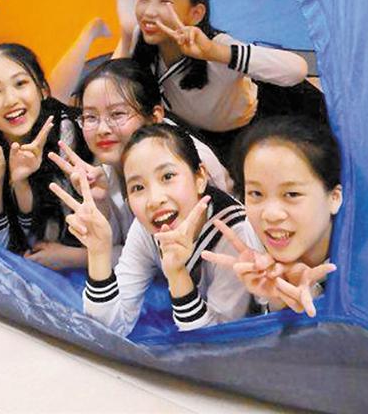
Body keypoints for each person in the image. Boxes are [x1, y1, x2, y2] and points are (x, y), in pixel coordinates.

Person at [51, 123, 262, 337]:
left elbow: (218, 342)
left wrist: (177, 275)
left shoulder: (235, 235)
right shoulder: (147, 227)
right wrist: (98, 254)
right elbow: (108, 328)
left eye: (167, 177)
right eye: (138, 187)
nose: (154, 200)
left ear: (200, 178)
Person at [114, 0, 318, 163]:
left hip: (256, 124)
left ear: (196, 14)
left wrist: (214, 52)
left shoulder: (216, 46)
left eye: (165, 1)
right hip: (198, 136)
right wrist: (126, 35)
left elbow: (297, 70)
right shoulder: (140, 39)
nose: (149, 12)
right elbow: (109, 91)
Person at [49, 58, 233, 252]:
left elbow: (172, 254)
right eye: (90, 117)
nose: (102, 129)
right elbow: (124, 245)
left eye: (117, 114)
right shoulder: (111, 159)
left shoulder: (192, 163)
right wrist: (101, 203)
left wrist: (76, 256)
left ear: (154, 117)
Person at [0, 43, 90, 267]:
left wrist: (72, 257)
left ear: (43, 90)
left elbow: (53, 238)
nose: (10, 100)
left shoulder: (67, 134)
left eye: (20, 83)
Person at [203, 116, 342, 317]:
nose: (270, 215)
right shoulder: (252, 242)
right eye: (256, 193)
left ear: (334, 198)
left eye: (292, 194)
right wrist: (278, 300)